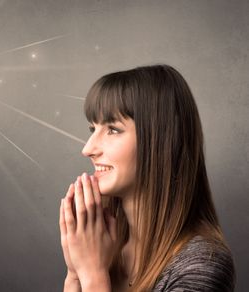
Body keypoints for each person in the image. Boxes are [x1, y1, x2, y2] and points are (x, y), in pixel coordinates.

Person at [59, 64, 235, 291]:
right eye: (93, 129)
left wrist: (92, 275)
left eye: (112, 129)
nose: (88, 149)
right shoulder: (102, 246)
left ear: (161, 140)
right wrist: (74, 276)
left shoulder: (201, 265)